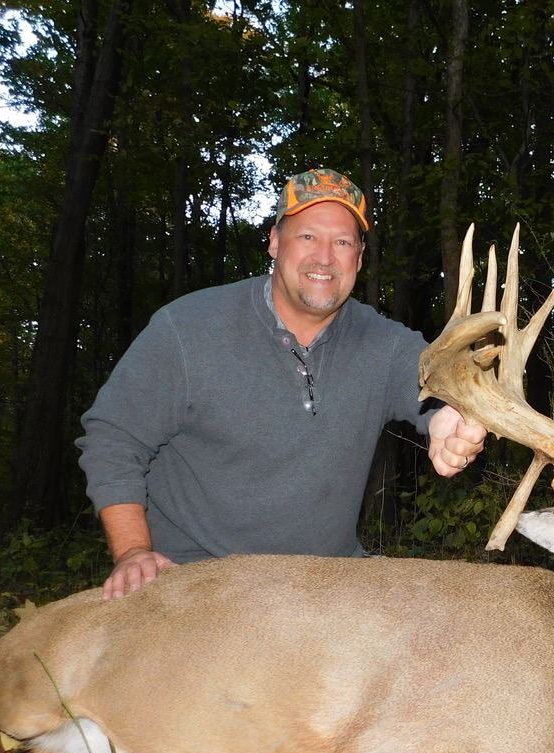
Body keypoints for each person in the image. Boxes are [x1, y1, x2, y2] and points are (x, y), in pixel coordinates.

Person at [76, 167, 486, 598]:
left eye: (342, 242)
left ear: (360, 258)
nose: (324, 257)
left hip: (327, 583)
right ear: (274, 242)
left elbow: (435, 388)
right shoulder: (188, 329)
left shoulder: (384, 344)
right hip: (199, 580)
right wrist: (133, 551)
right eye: (307, 236)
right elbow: (114, 438)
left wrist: (449, 420)